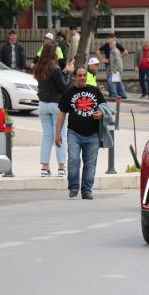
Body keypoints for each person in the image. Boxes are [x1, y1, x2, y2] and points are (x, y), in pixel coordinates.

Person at [55, 67, 107, 199]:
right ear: (75, 77)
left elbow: (105, 108)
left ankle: (87, 190)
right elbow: (62, 114)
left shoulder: (94, 91)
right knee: (73, 160)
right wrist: (58, 134)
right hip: (74, 134)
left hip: (93, 134)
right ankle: (73, 187)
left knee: (90, 164)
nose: (83, 77)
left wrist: (101, 114)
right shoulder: (68, 93)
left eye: (84, 75)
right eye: (80, 75)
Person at [33, 43, 73, 177]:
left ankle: (45, 167)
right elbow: (64, 87)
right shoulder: (55, 68)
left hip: (43, 104)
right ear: (53, 53)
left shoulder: (38, 68)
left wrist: (64, 72)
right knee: (60, 135)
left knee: (47, 136)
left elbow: (52, 80)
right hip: (56, 105)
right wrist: (70, 73)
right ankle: (61, 167)